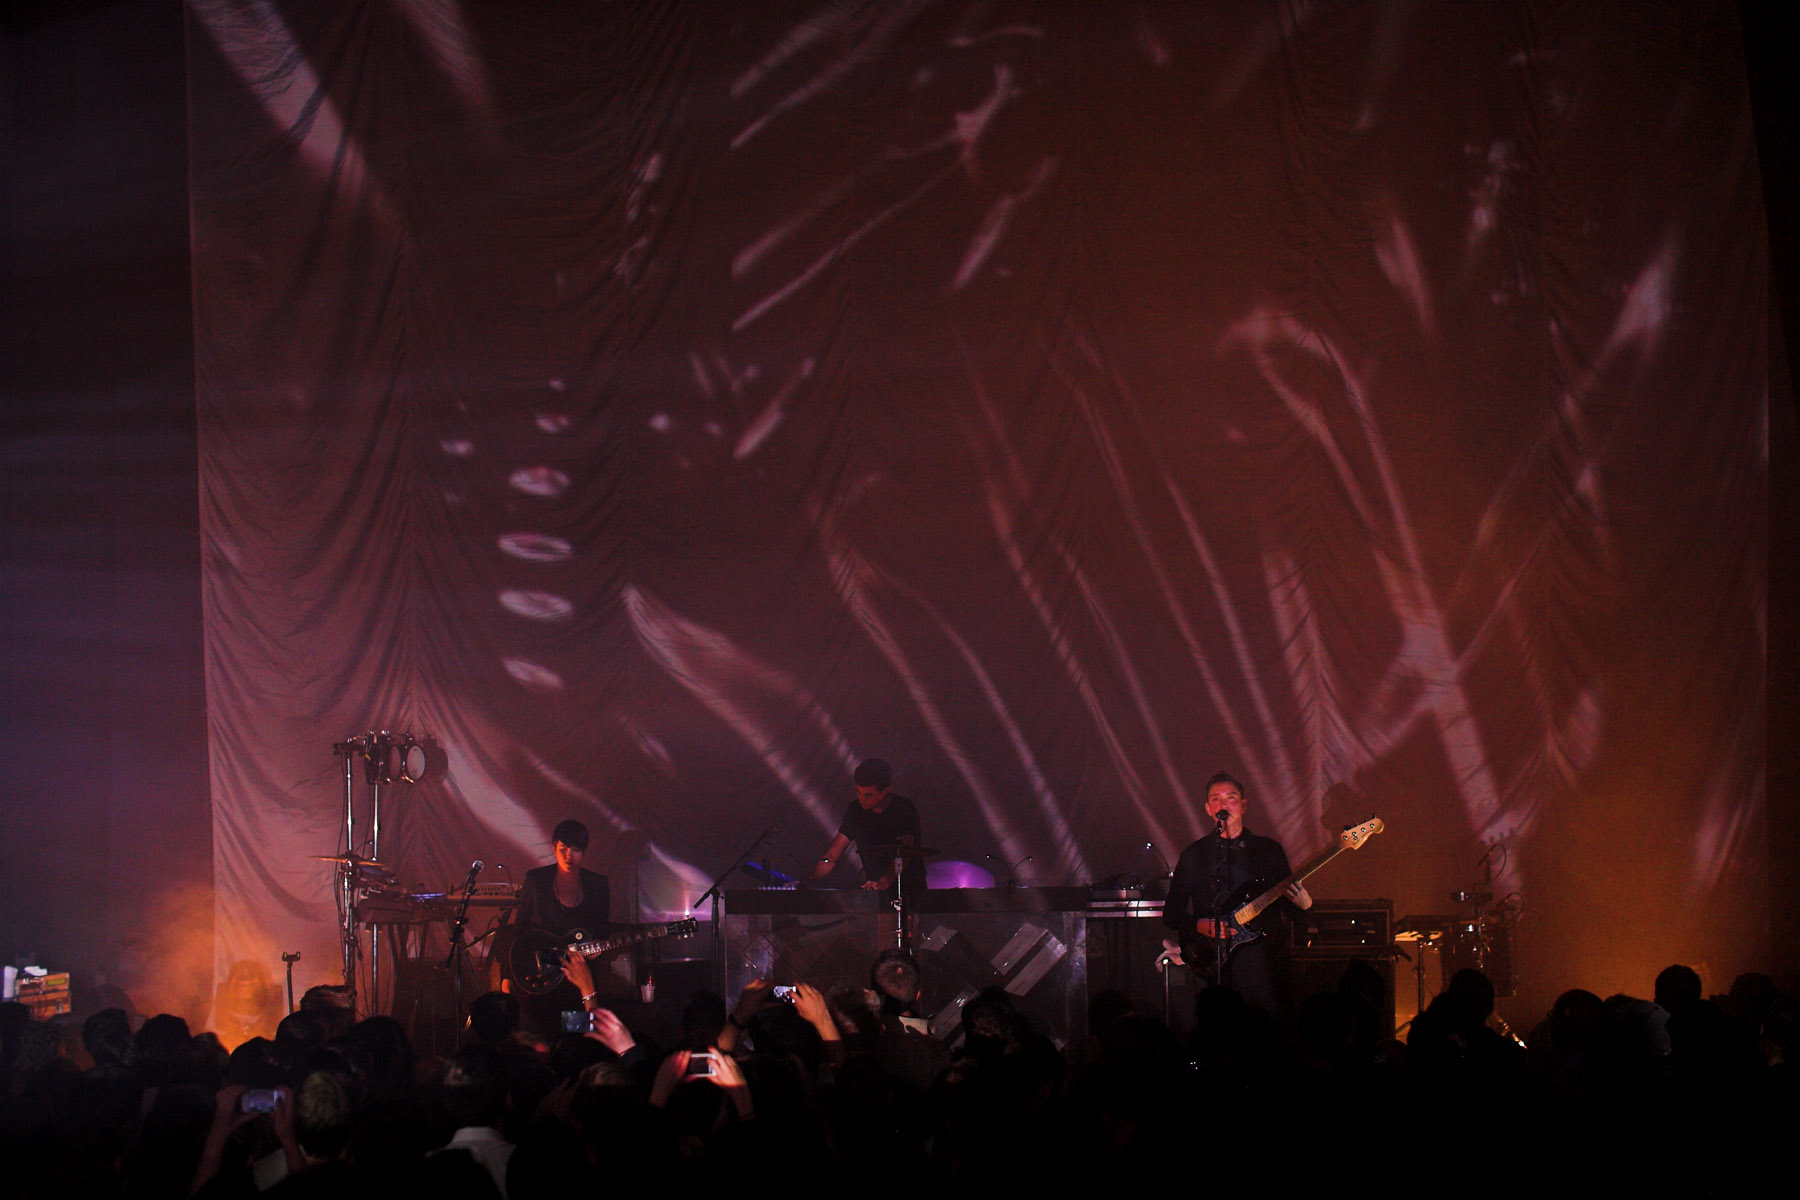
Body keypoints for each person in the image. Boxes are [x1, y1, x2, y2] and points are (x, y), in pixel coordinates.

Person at [1162, 771, 1310, 1018]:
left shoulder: (1268, 851)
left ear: (1243, 806)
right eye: (1216, 799)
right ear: (1208, 809)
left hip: (1263, 964)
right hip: (1214, 963)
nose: (1223, 805)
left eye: (1230, 798)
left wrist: (1305, 906)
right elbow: (1172, 913)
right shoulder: (1194, 855)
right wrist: (1200, 925)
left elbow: (1288, 907)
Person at [510, 819, 611, 1033]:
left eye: (575, 850)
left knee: (577, 1037)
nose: (568, 856)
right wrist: (510, 976)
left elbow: (603, 930)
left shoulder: (598, 885)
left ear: (584, 851)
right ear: (554, 847)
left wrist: (599, 948)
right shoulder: (536, 881)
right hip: (542, 982)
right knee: (543, 1035)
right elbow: (519, 931)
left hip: (579, 984)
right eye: (563, 849)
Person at [807, 758, 924, 893]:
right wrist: (806, 881)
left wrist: (882, 883)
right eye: (858, 792)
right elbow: (832, 856)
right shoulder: (855, 811)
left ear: (885, 791)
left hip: (910, 891)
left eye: (868, 795)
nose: (861, 799)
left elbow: (904, 855)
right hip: (876, 892)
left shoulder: (903, 808)